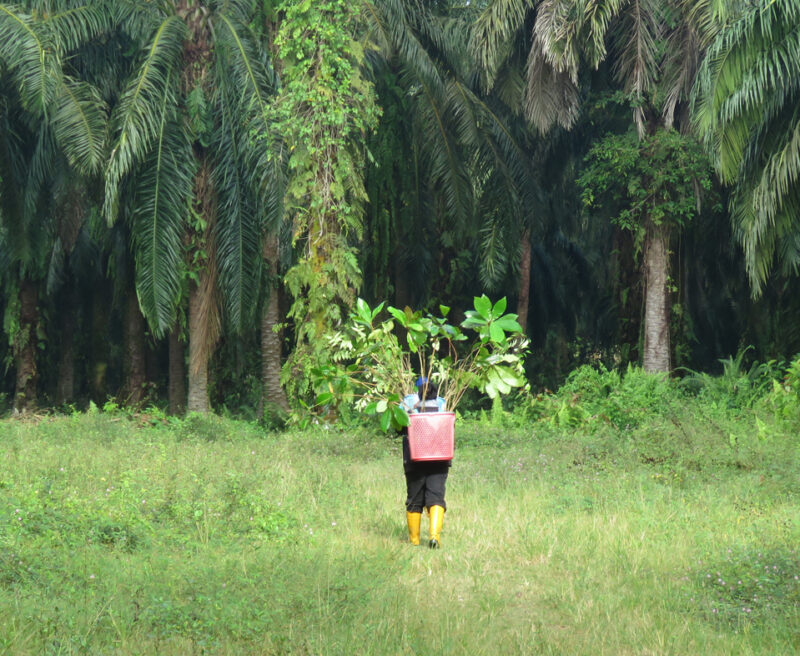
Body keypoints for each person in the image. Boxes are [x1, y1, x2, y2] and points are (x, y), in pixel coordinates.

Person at [401, 377, 450, 548]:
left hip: (415, 459)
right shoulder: (443, 404)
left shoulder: (408, 405)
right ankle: (434, 537)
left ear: (418, 390)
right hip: (440, 459)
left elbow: (399, 426)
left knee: (414, 498)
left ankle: (414, 541)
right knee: (436, 496)